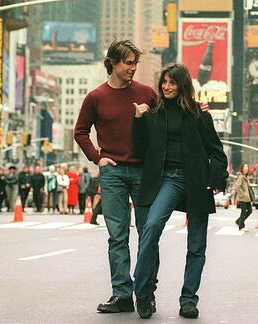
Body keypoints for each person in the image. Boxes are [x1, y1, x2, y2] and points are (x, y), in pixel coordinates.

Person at [131, 63, 228, 319]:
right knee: (151, 228)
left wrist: (215, 177)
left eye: (172, 82)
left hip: (196, 181)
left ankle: (188, 300)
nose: (167, 87)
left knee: (196, 246)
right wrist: (139, 121)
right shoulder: (153, 115)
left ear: (182, 85)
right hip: (168, 180)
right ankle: (142, 292)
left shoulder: (199, 115)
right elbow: (139, 149)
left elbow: (217, 152)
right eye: (164, 82)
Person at [74, 39, 158, 313]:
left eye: (136, 63)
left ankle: (145, 292)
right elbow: (81, 131)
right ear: (112, 63)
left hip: (144, 172)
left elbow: (166, 124)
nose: (133, 68)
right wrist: (97, 157)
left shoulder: (147, 93)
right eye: (128, 63)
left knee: (148, 234)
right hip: (112, 173)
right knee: (117, 236)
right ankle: (122, 294)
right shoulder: (96, 97)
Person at [234, 164, 255, 231]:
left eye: (247, 167)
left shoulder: (245, 177)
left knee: (249, 210)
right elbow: (237, 186)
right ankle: (241, 226)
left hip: (247, 198)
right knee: (243, 211)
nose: (246, 168)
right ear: (242, 168)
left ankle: (238, 221)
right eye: (245, 167)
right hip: (243, 197)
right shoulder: (241, 177)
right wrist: (242, 194)